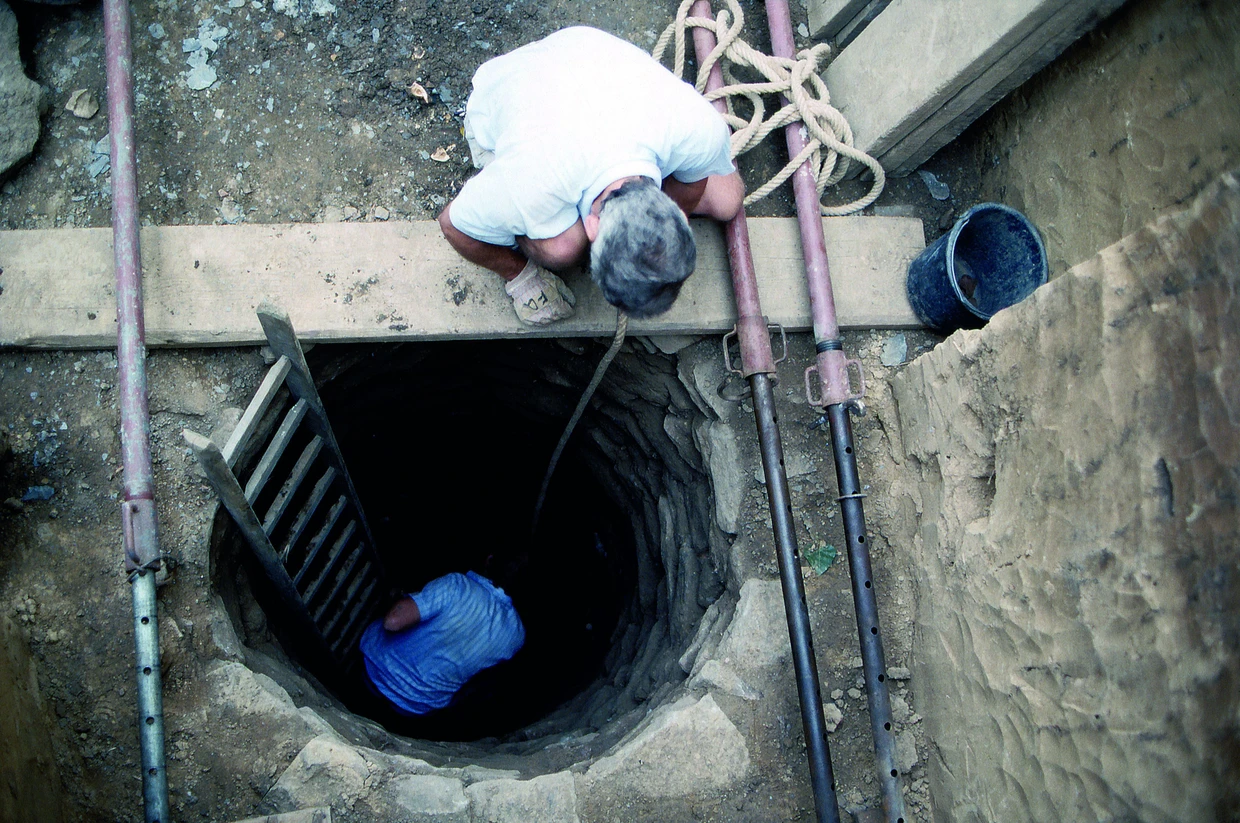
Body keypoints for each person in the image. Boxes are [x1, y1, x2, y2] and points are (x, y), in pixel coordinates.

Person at [437, 26, 745, 326]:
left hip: (588, 56)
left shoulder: (702, 131)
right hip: (515, 86)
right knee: (562, 249)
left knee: (727, 199)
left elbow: (689, 191)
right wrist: (520, 276)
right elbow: (452, 225)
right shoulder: (532, 181)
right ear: (592, 227)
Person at [359, 570, 525, 717]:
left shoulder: (458, 585)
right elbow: (479, 685)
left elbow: (392, 622)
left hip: (375, 671)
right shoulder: (516, 635)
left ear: (489, 560)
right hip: (416, 707)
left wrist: (400, 599)